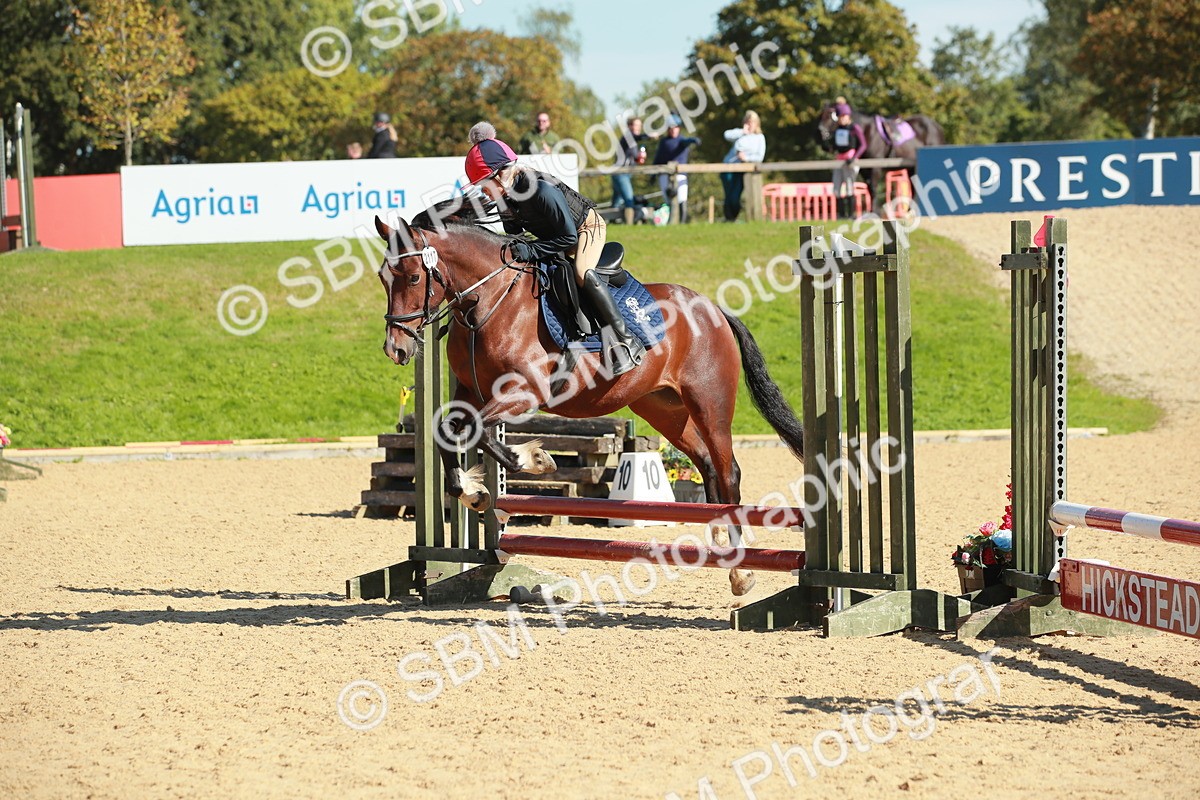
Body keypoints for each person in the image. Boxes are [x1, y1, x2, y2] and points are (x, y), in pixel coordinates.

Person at [464, 122, 645, 376]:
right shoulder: (504, 199)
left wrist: (532, 250)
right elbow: (515, 237)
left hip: (584, 229)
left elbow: (568, 238)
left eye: (484, 183)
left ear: (501, 174)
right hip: (555, 236)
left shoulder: (541, 190)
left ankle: (627, 340)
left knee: (582, 272)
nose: (483, 191)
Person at [653, 114, 701, 224]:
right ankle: (670, 221)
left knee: (682, 198)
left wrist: (693, 140)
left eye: (675, 128)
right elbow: (658, 158)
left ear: (679, 128)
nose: (673, 130)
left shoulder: (681, 140)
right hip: (664, 174)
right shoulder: (664, 142)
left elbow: (686, 141)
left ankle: (682, 223)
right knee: (668, 199)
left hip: (680, 174)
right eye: (671, 128)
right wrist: (653, 174)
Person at [720, 110, 765, 222]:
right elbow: (726, 135)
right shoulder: (740, 134)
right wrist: (742, 132)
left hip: (743, 171)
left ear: (757, 123)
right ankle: (729, 219)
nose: (750, 125)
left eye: (752, 122)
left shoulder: (759, 138)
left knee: (735, 196)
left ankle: (733, 217)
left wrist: (746, 158)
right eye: (747, 122)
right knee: (728, 196)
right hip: (728, 168)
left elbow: (760, 157)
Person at [829, 98, 867, 220]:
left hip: (850, 160)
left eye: (844, 116)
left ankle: (851, 214)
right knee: (836, 187)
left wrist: (855, 157)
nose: (842, 119)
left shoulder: (854, 128)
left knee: (850, 187)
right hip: (839, 160)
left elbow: (863, 145)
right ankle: (841, 215)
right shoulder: (836, 129)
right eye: (840, 117)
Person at [611, 117, 650, 226]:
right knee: (629, 200)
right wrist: (648, 136)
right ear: (629, 126)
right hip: (621, 173)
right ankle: (629, 223)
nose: (638, 128)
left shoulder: (633, 142)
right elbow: (636, 137)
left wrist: (639, 157)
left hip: (626, 173)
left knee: (617, 202)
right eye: (636, 125)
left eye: (639, 125)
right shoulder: (628, 137)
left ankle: (612, 223)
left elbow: (632, 158)